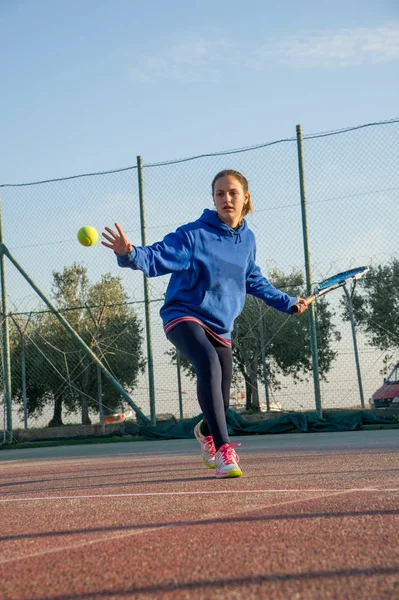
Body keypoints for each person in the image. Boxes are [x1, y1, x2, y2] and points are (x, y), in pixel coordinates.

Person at [101, 170, 308, 479]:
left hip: (221, 326)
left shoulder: (247, 240)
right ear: (213, 199)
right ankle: (225, 452)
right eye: (220, 193)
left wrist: (287, 302)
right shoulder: (194, 235)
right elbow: (159, 255)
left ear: (245, 198)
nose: (226, 198)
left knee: (221, 402)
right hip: (184, 315)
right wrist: (129, 253)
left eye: (233, 193)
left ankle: (207, 431)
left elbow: (253, 279)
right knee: (208, 364)